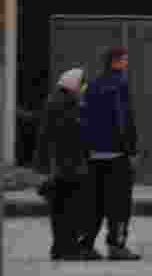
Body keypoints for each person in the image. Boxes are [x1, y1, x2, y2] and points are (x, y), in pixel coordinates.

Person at [79, 46, 141, 261]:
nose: (126, 64)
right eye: (124, 60)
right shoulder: (120, 85)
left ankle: (86, 245)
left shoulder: (91, 86)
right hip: (116, 155)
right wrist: (131, 150)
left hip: (93, 155)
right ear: (115, 62)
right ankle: (116, 246)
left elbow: (83, 118)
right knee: (120, 204)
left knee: (93, 203)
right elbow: (124, 119)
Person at [34, 68, 98, 261]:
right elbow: (69, 134)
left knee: (62, 210)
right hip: (66, 167)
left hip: (64, 166)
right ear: (73, 85)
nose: (83, 89)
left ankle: (61, 247)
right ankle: (67, 248)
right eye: (81, 85)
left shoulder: (59, 101)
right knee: (67, 209)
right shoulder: (64, 103)